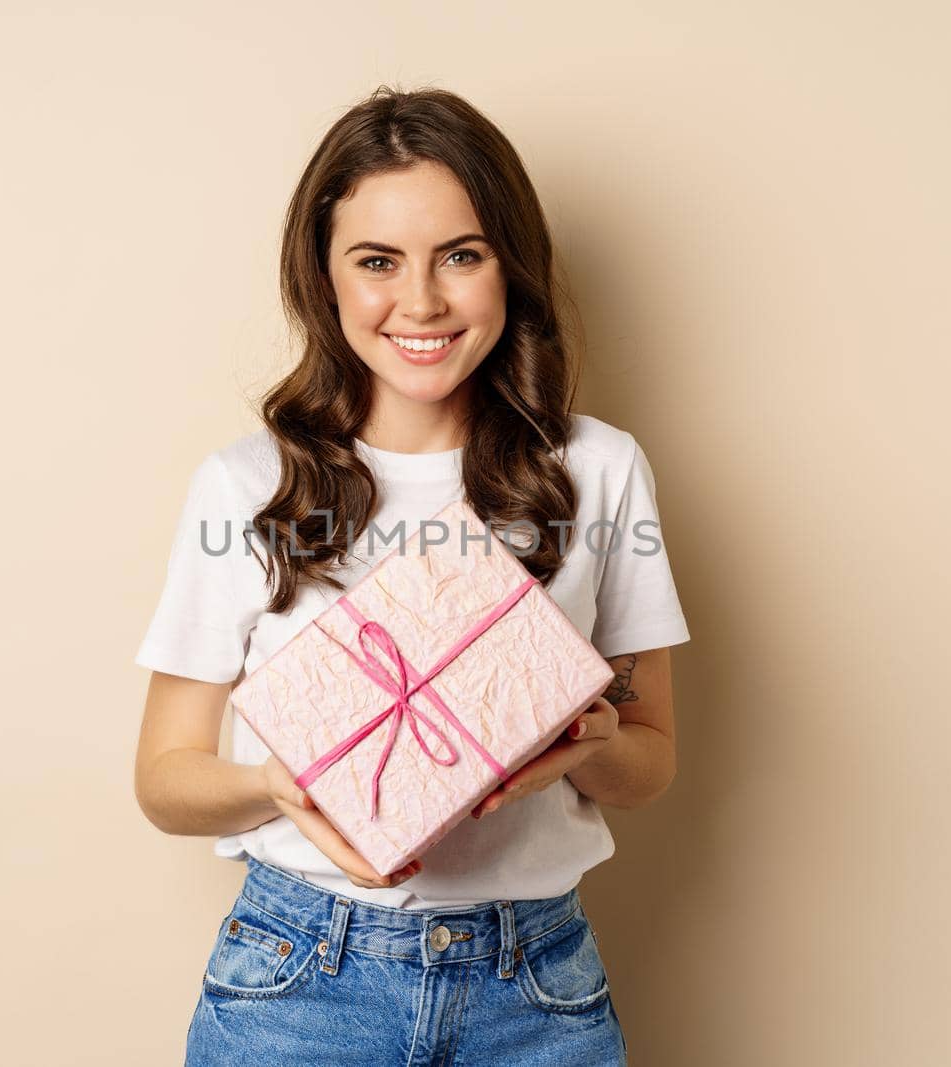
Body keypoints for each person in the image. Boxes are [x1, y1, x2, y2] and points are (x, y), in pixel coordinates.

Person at [133, 85, 691, 1066]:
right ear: (325, 276)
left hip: (534, 988)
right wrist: (281, 781)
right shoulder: (245, 484)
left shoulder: (598, 470)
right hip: (298, 979)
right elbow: (165, 780)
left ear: (509, 267)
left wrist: (586, 739)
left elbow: (648, 763)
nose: (422, 302)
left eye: (461, 256)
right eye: (378, 261)